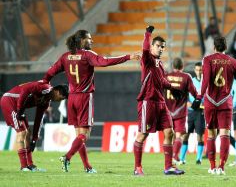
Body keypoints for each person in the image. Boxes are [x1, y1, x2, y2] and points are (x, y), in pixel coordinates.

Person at [42, 29, 140, 173]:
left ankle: (87, 167)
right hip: (84, 97)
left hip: (71, 99)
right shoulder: (87, 55)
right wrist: (128, 56)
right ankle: (67, 157)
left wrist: (44, 86)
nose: (92, 41)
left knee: (79, 136)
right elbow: (105, 62)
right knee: (85, 135)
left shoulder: (65, 57)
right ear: (81, 40)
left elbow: (50, 73)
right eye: (89, 39)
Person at [192, 36, 236, 175]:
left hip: (210, 102)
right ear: (226, 47)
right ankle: (221, 167)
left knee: (211, 134)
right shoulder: (234, 62)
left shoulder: (207, 60)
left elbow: (205, 80)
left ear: (214, 47)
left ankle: (212, 166)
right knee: (225, 134)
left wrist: (199, 97)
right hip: (225, 102)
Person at [133, 26, 184, 176]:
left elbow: (161, 80)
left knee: (170, 132)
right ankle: (137, 168)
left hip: (161, 103)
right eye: (158, 46)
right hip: (148, 102)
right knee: (143, 134)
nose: (161, 49)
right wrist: (147, 34)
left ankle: (168, 167)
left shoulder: (159, 63)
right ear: (152, 46)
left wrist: (173, 88)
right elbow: (144, 48)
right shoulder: (147, 58)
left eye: (163, 47)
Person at [0, 81, 68, 171]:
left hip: (19, 107)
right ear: (57, 92)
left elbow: (38, 119)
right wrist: (20, 109)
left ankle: (30, 165)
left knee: (28, 132)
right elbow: (25, 89)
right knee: (22, 132)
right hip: (9, 101)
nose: (60, 100)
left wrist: (34, 139)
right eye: (62, 98)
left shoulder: (46, 102)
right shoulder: (45, 88)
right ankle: (23, 166)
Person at [164, 57, 197, 164]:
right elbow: (193, 92)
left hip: (167, 110)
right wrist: (198, 98)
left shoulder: (166, 76)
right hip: (180, 111)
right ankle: (175, 154)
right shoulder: (186, 77)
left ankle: (169, 158)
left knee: (168, 135)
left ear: (173, 66)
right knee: (179, 135)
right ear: (182, 66)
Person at [179, 62, 205, 165]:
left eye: (201, 70)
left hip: (200, 112)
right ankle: (182, 158)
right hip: (190, 112)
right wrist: (187, 102)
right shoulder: (192, 81)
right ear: (194, 70)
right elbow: (184, 94)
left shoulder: (206, 82)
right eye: (197, 70)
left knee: (200, 136)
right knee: (185, 135)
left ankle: (199, 159)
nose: (199, 71)